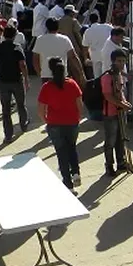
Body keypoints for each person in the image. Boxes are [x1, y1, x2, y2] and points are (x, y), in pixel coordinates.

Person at [37, 57, 84, 191]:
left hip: (55, 124)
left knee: (61, 153)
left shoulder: (46, 87)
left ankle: (68, 183)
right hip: (72, 122)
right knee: (72, 148)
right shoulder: (72, 84)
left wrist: (47, 121)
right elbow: (80, 104)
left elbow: (41, 109)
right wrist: (78, 117)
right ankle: (75, 172)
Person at [0, 26, 30, 143]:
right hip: (17, 81)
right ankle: (23, 124)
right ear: (14, 35)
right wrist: (26, 79)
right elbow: (23, 65)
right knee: (21, 105)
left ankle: (8, 134)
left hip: (4, 83)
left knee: (6, 110)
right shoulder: (17, 48)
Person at [101, 49, 133, 177]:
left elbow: (120, 94)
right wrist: (122, 105)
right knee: (110, 141)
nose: (121, 64)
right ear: (113, 61)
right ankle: (109, 165)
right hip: (110, 114)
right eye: (119, 61)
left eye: (123, 61)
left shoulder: (119, 75)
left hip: (120, 112)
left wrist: (125, 103)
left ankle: (121, 162)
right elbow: (108, 96)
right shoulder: (106, 77)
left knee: (121, 139)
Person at [33, 17, 82, 85]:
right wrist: (81, 73)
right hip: (62, 74)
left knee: (48, 95)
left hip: (46, 75)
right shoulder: (65, 39)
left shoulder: (40, 39)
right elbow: (73, 57)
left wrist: (40, 72)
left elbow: (35, 59)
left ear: (47, 27)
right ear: (58, 26)